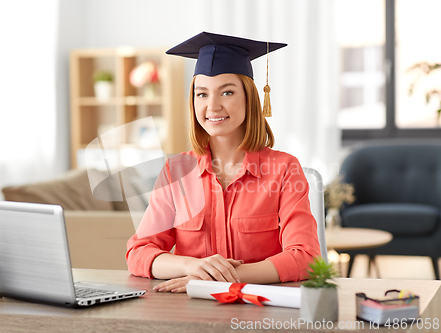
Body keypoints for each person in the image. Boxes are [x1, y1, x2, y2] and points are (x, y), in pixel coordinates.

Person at [126, 32, 320, 293]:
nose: (212, 106)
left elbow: (305, 257)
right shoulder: (176, 171)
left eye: (227, 92)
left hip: (259, 309)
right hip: (190, 310)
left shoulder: (284, 170)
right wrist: (191, 267)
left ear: (249, 98)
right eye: (202, 94)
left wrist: (223, 279)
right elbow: (139, 253)